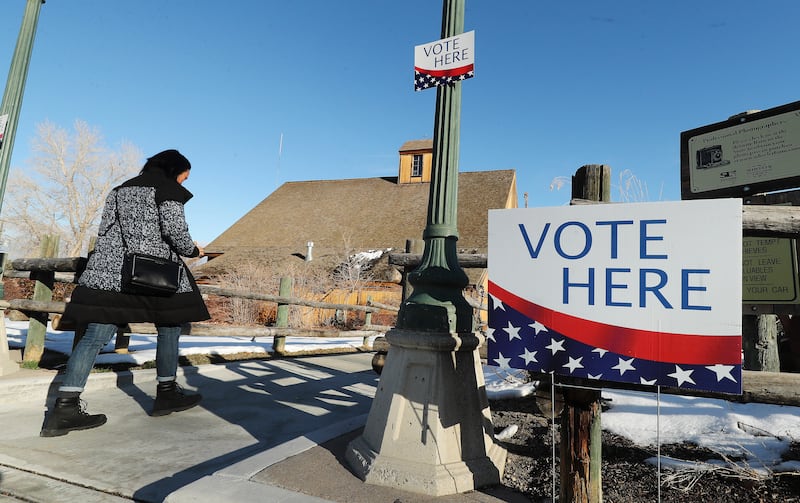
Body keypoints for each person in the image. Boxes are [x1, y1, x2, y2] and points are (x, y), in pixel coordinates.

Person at [40, 149, 210, 437]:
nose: (184, 182)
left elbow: (106, 230)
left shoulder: (120, 190)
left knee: (94, 335)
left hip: (111, 274)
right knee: (170, 326)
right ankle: (166, 393)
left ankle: (64, 407)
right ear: (175, 171)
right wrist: (194, 250)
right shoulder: (168, 190)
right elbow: (175, 232)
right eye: (185, 176)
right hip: (154, 274)